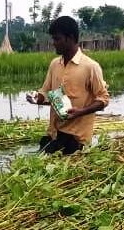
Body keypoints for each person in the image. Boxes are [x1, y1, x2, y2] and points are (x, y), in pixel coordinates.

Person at [27, 16, 110, 155]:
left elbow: (103, 99)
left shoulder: (90, 67)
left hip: (76, 141)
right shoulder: (55, 64)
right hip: (54, 134)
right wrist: (36, 98)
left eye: (57, 39)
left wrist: (80, 112)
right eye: (53, 39)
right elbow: (46, 92)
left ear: (70, 38)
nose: (54, 43)